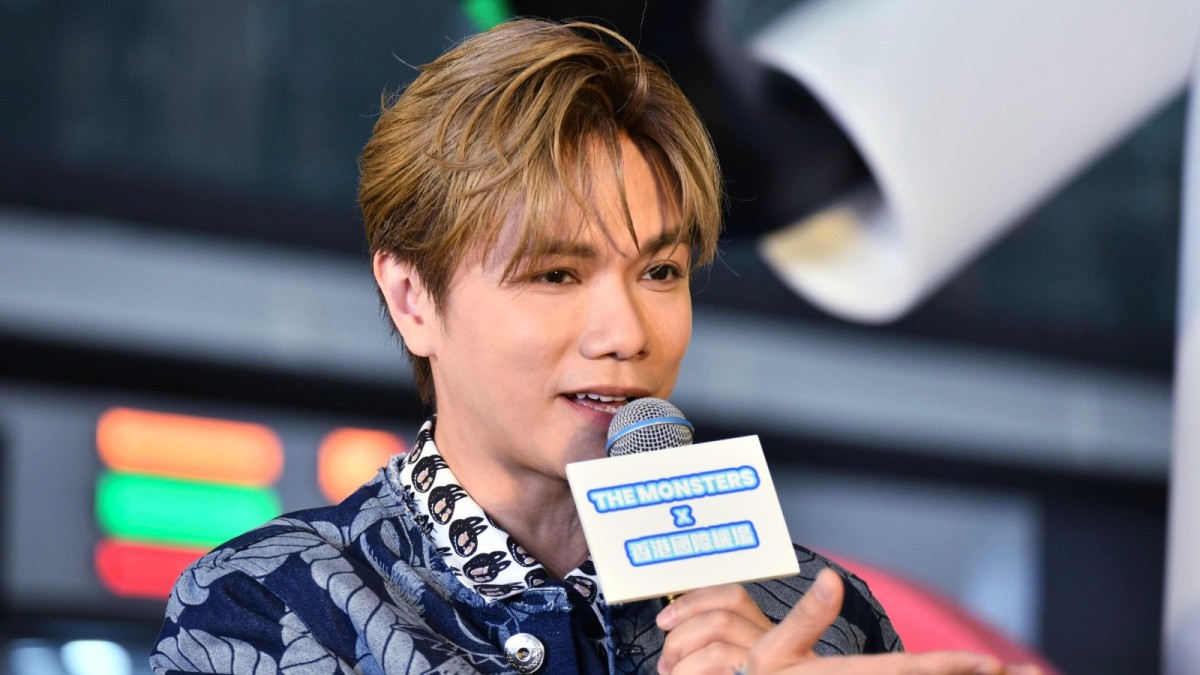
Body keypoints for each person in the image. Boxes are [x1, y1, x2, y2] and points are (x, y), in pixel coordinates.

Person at [151, 19, 1038, 675]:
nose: (627, 334)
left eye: (661, 272)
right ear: (412, 297)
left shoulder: (819, 617)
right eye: (556, 274)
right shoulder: (266, 609)